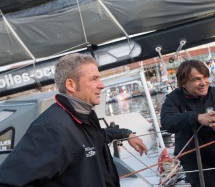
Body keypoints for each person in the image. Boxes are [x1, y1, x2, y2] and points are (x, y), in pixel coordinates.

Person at [0, 53, 148, 187]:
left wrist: (126, 133)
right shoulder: (51, 129)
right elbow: (9, 182)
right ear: (71, 85)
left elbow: (96, 137)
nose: (101, 85)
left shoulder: (84, 117)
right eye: (94, 79)